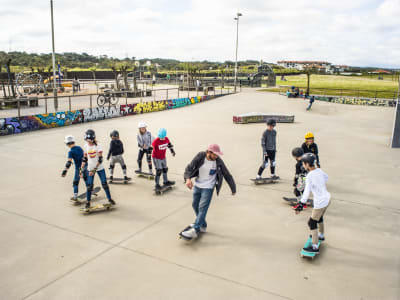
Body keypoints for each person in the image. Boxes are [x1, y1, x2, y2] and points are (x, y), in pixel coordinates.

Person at [181, 144, 236, 239]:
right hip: (198, 185)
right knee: (195, 205)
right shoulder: (200, 156)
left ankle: (196, 228)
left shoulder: (218, 161)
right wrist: (188, 179)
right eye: (215, 154)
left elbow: (227, 174)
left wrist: (233, 188)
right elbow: (189, 168)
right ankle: (203, 225)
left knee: (202, 208)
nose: (217, 156)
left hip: (208, 188)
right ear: (209, 152)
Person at [294, 153, 330, 253]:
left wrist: (301, 204)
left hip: (320, 203)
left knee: (312, 222)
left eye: (303, 163)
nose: (303, 165)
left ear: (307, 164)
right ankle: (321, 236)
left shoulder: (310, 176)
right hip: (327, 199)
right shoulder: (319, 170)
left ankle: (314, 247)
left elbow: (306, 192)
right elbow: (326, 178)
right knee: (320, 217)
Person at [81, 129, 115, 209]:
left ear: (93, 139)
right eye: (87, 140)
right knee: (89, 186)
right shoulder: (85, 146)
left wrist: (94, 170)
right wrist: (81, 170)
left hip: (99, 168)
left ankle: (110, 199)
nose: (88, 142)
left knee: (104, 184)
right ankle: (88, 202)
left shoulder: (98, 145)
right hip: (90, 168)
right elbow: (84, 159)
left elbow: (100, 160)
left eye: (90, 140)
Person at [61, 135, 88, 200]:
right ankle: (90, 190)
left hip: (78, 169)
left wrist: (64, 171)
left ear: (67, 144)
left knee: (75, 182)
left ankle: (75, 196)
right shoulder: (79, 148)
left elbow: (69, 163)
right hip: (86, 166)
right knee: (86, 179)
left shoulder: (71, 152)